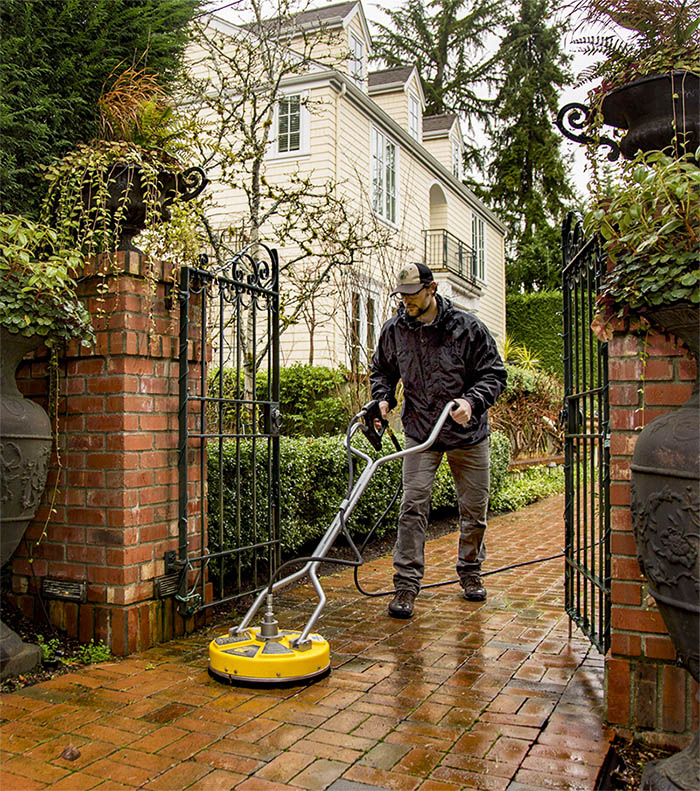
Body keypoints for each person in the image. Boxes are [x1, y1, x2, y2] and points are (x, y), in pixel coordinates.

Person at [370, 262, 507, 618]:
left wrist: (472, 402)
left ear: (431, 289)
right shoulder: (396, 330)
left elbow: (494, 373)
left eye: (412, 295)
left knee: (474, 510)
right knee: (413, 506)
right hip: (421, 431)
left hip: (467, 432)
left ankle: (471, 572)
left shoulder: (467, 327)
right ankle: (406, 585)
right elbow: (382, 371)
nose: (406, 303)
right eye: (401, 296)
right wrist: (384, 397)